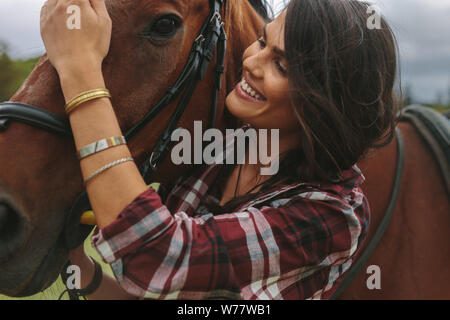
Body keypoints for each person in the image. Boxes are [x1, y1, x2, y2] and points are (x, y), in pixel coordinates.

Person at [40, 0, 399, 300]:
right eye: (261, 42)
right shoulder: (219, 149)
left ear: (327, 104)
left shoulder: (329, 217)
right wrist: (78, 267)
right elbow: (162, 291)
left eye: (281, 65)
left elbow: (163, 256)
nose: (251, 63)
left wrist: (79, 69)